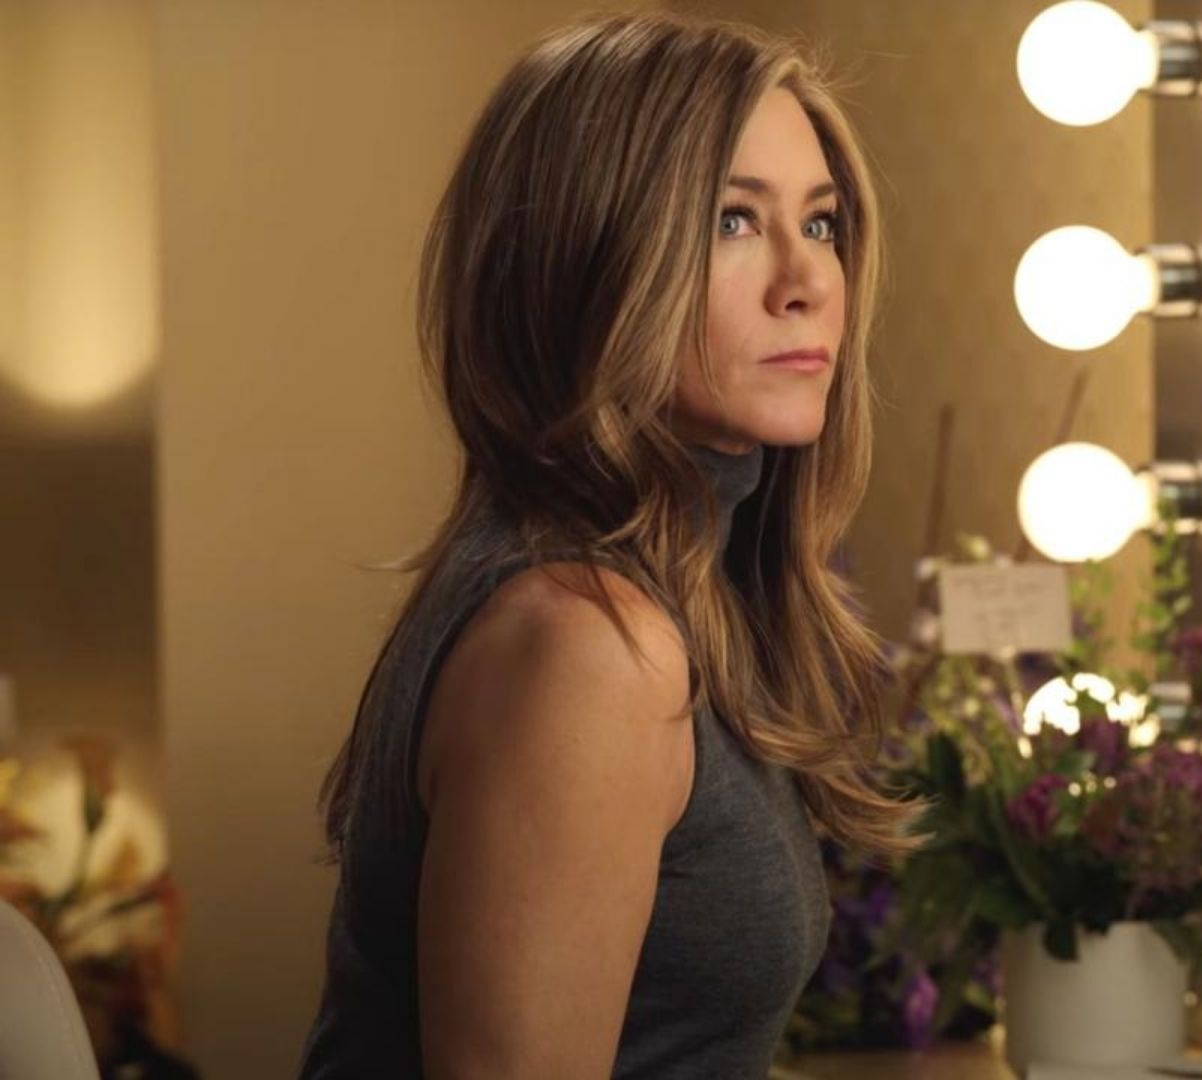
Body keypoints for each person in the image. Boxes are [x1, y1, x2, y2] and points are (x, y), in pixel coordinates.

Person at [297, 11, 916, 1077]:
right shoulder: (589, 644)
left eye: (819, 224)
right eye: (732, 220)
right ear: (587, 259)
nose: (806, 281)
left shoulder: (675, 597)